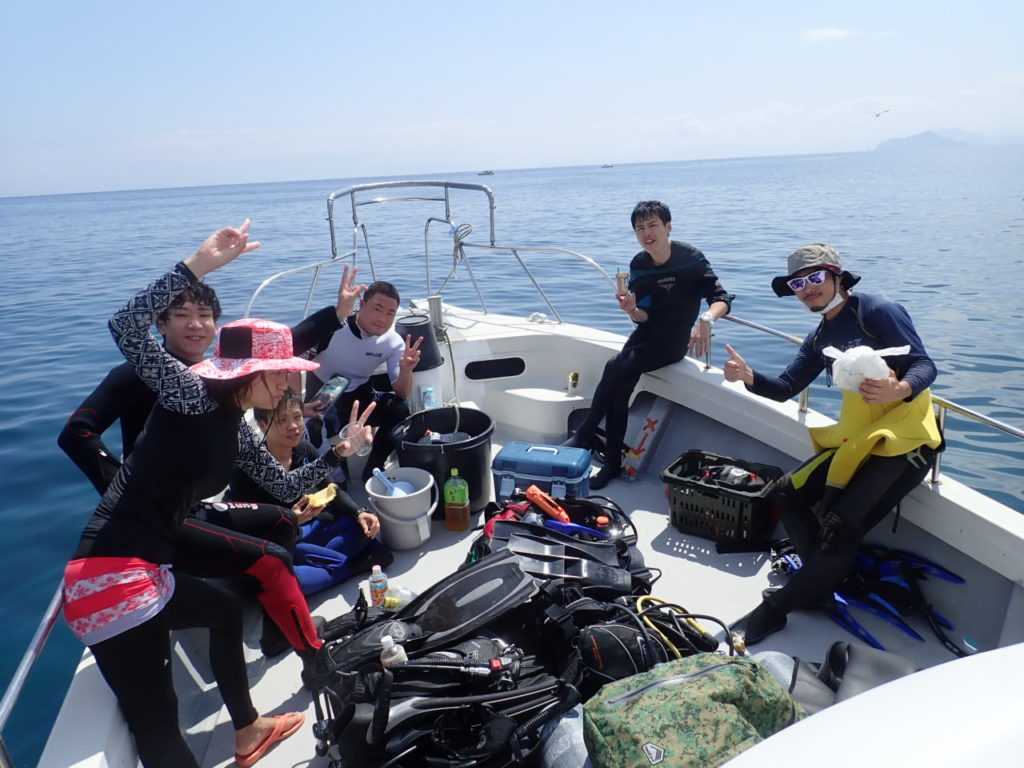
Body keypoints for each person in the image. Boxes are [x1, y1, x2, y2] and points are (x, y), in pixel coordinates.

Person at [61, 221, 371, 768]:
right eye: (280, 373)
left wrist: (339, 453)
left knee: (226, 612)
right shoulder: (191, 394)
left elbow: (284, 487)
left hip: (151, 565)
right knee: (159, 726)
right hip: (110, 580)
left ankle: (249, 731)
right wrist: (197, 266)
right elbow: (125, 326)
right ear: (250, 373)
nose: (289, 384)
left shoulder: (237, 424)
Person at [724, 244, 942, 645]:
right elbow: (786, 387)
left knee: (839, 525)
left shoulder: (876, 311)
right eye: (797, 284)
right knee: (787, 493)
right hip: (861, 438)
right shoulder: (820, 336)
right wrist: (748, 376)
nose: (807, 288)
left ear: (837, 276)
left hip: (907, 440)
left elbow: (925, 365)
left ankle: (775, 610)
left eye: (814, 278)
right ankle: (821, 582)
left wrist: (900, 388)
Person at [564, 200, 733, 489]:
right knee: (620, 386)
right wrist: (631, 309)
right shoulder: (639, 264)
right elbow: (644, 316)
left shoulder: (691, 258)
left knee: (614, 366)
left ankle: (586, 433)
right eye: (640, 228)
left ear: (668, 227)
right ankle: (611, 462)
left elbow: (721, 299)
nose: (647, 233)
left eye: (653, 225)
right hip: (647, 334)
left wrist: (707, 318)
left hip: (674, 340)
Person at [228, 388, 394, 595]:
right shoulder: (246, 469)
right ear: (262, 425)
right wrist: (290, 522)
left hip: (317, 528)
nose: (293, 426)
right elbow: (249, 529)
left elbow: (331, 490)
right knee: (281, 579)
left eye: (297, 417)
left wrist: (359, 512)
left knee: (362, 529)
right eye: (282, 420)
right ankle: (354, 564)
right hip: (286, 541)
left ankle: (326, 565)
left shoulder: (304, 448)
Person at [306, 265, 424, 482]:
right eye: (377, 309)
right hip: (324, 394)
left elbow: (402, 391)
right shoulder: (334, 327)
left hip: (360, 394)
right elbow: (297, 355)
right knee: (314, 428)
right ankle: (336, 479)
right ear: (361, 304)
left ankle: (374, 466)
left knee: (399, 409)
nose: (382, 319)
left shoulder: (393, 342)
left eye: (390, 313)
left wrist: (407, 370)